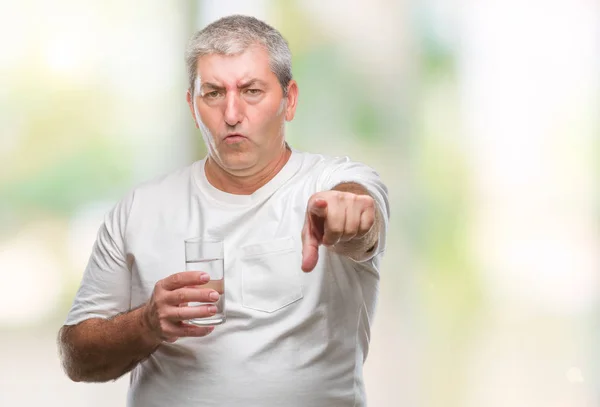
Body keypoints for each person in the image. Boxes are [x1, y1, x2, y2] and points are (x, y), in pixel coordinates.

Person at [58, 14, 390, 407]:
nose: (232, 114)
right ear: (191, 105)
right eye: (213, 93)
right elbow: (77, 357)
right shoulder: (140, 209)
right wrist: (146, 323)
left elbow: (361, 219)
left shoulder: (332, 182)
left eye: (251, 91)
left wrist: (347, 217)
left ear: (290, 100)